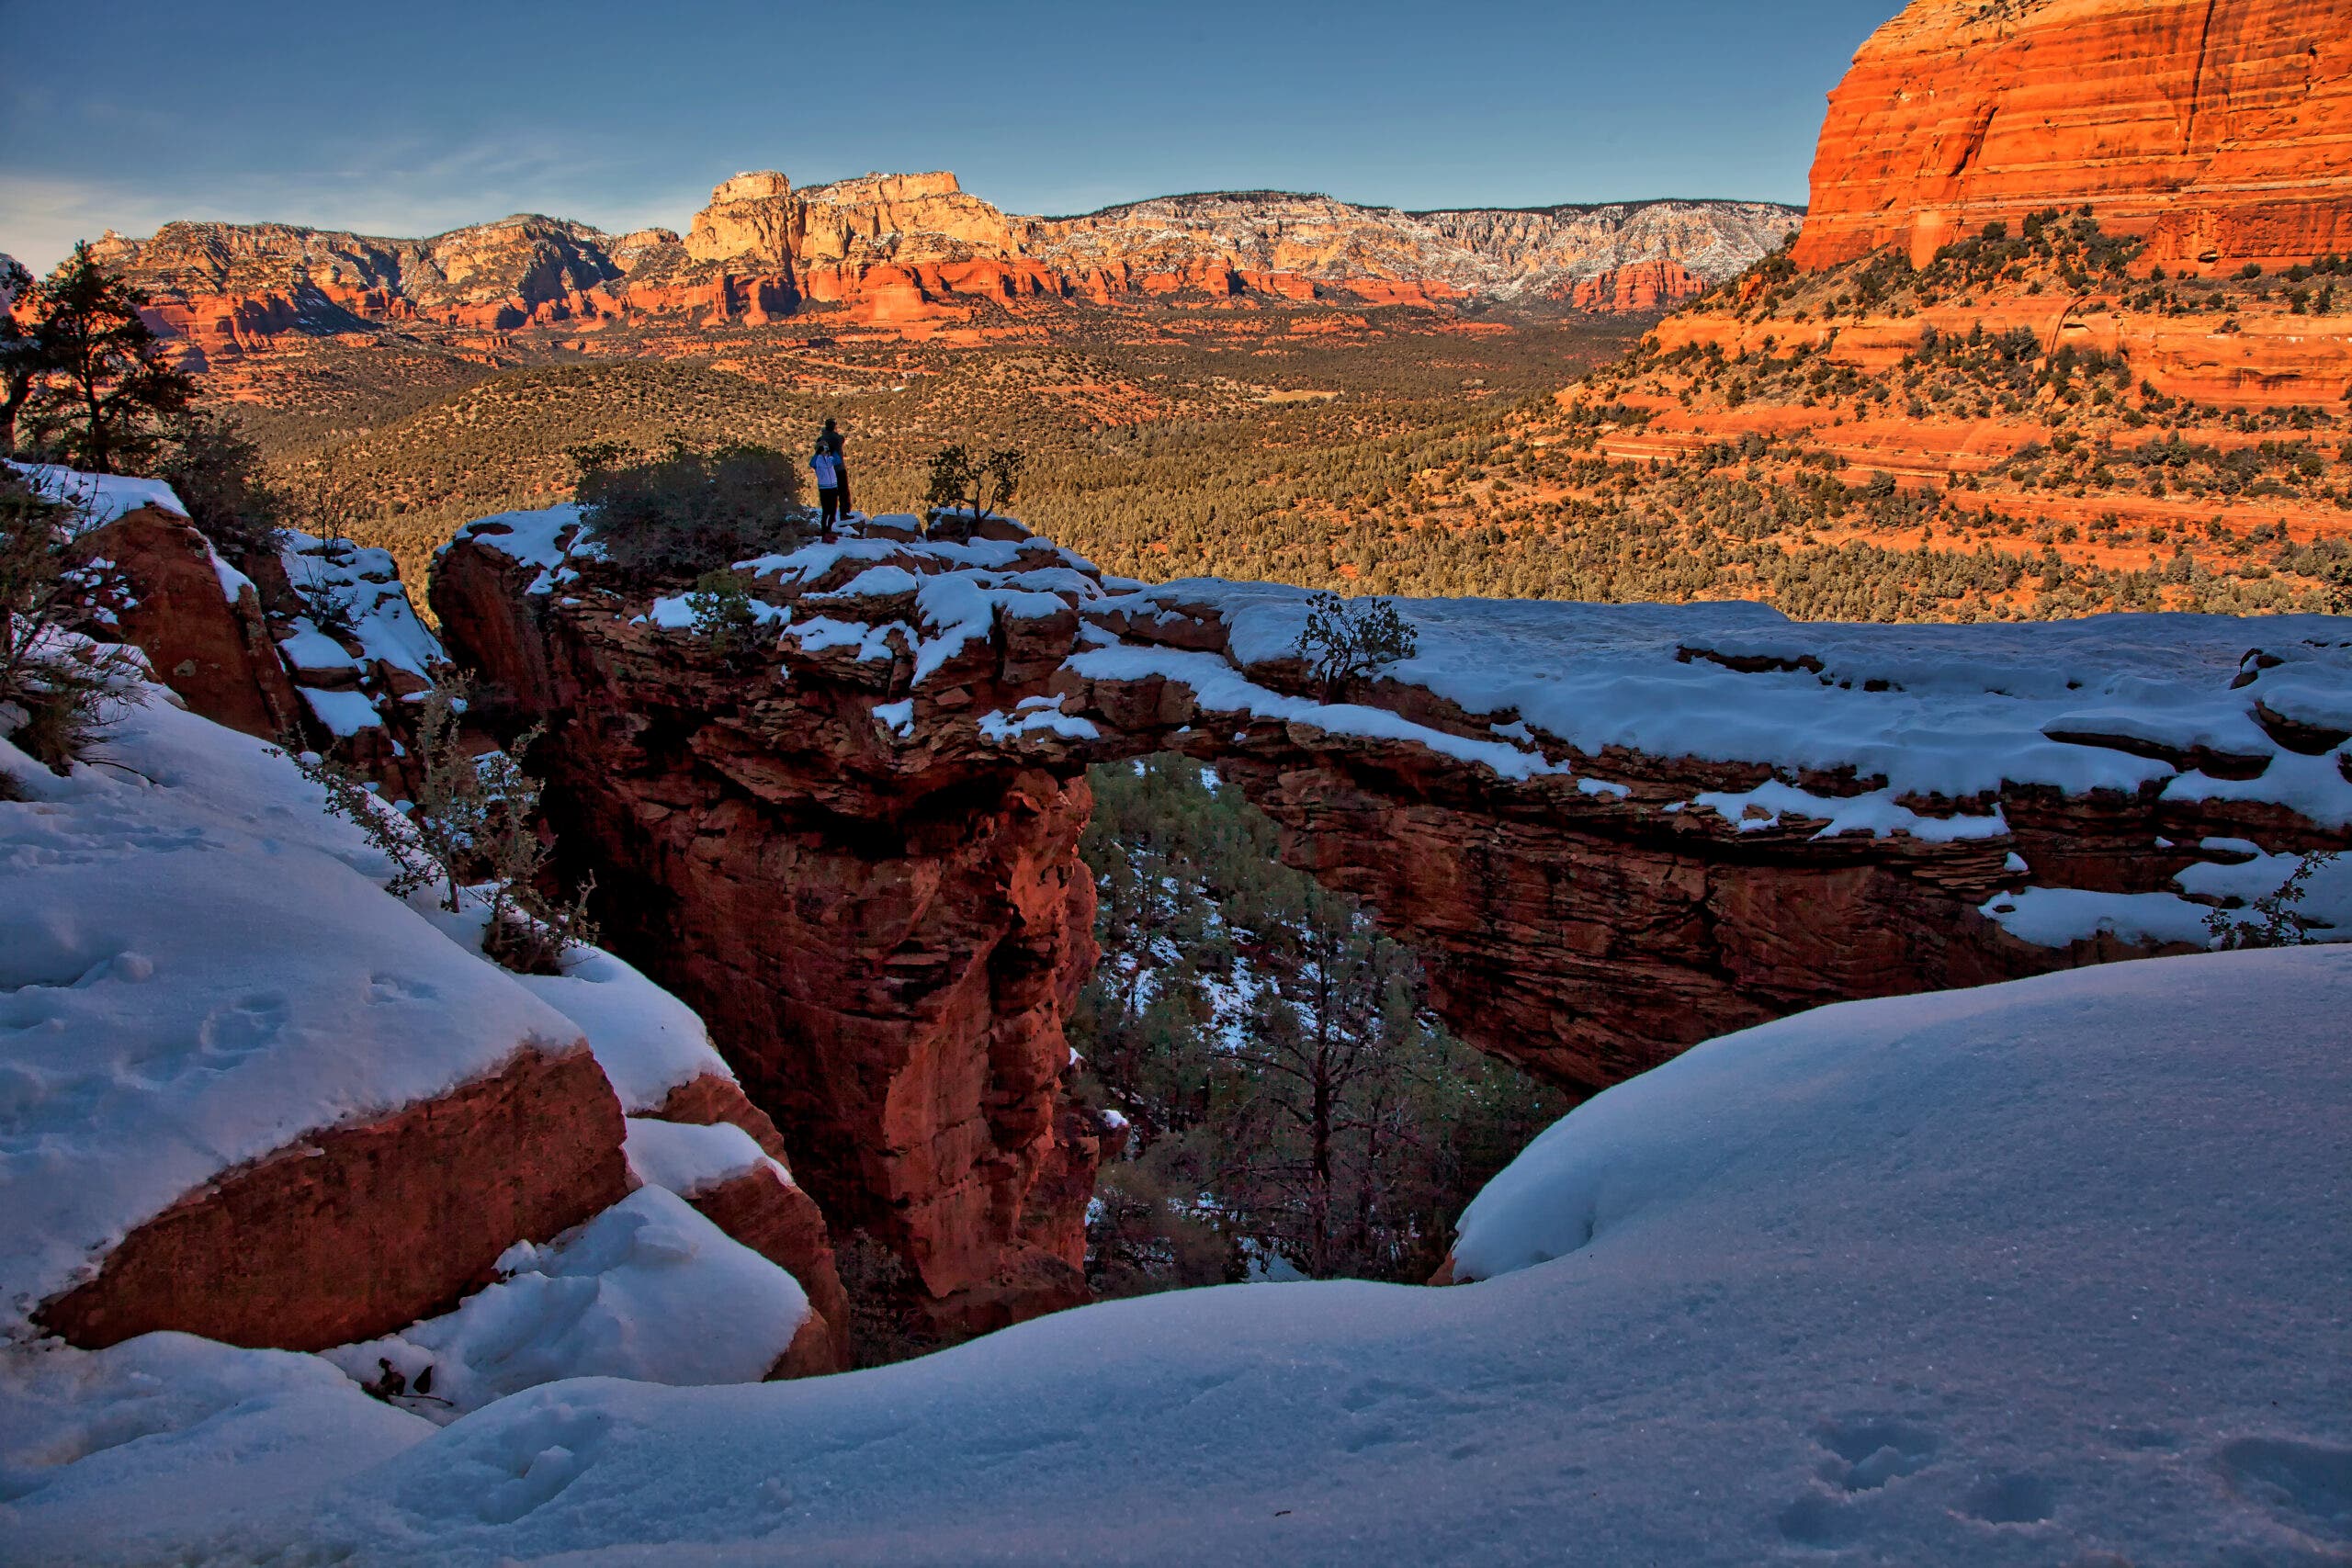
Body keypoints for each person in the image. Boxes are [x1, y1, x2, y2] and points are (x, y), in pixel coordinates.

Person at [809, 422, 845, 536]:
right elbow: (812, 464)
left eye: (826, 447)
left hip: (833, 486)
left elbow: (838, 461)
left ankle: (829, 529)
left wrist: (833, 450)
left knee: (833, 510)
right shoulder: (817, 460)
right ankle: (824, 530)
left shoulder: (830, 458)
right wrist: (817, 452)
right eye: (823, 448)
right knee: (826, 511)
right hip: (824, 487)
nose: (825, 449)